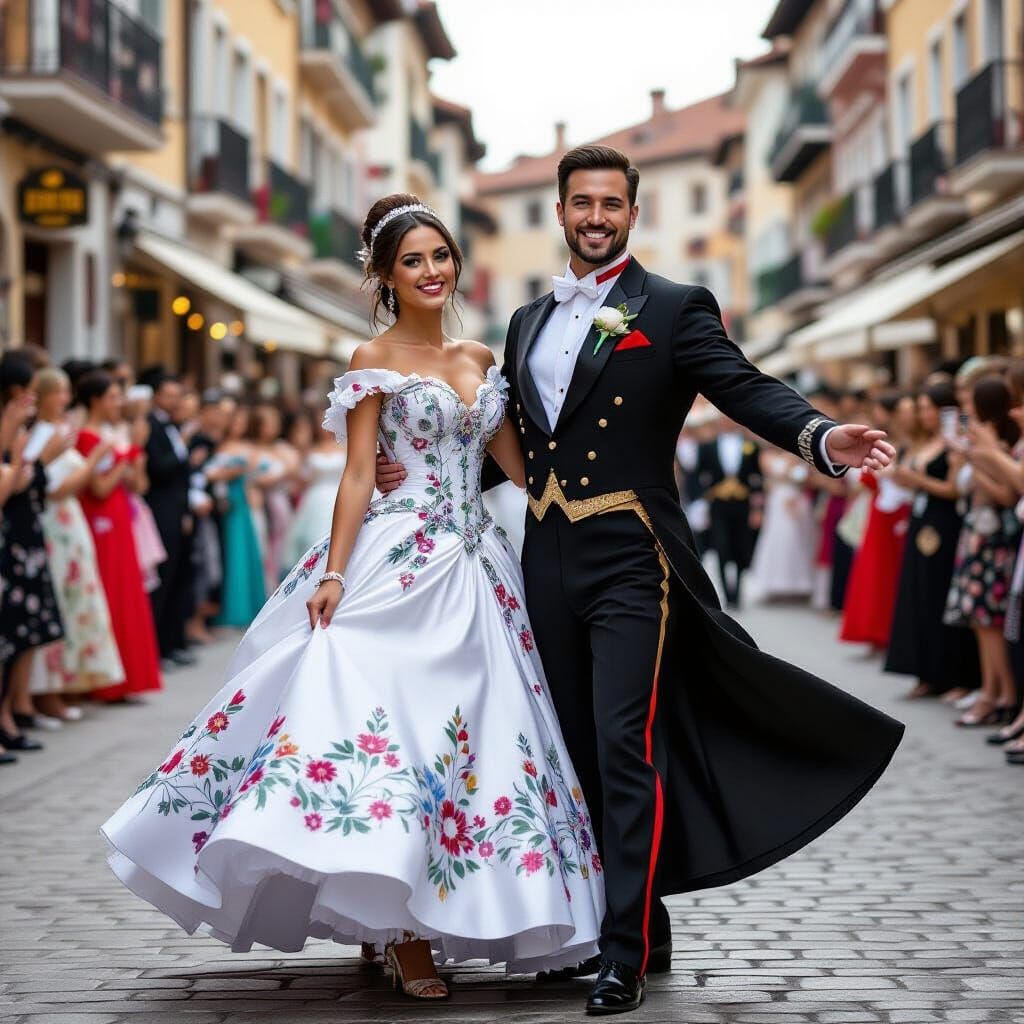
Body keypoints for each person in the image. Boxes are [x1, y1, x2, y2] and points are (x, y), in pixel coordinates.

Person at [377, 147, 904, 1015]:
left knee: (625, 743)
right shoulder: (525, 319)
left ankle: (620, 954)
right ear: (559, 211)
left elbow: (740, 386)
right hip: (543, 556)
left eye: (610, 204)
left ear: (631, 212)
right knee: (573, 745)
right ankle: (630, 925)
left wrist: (815, 435)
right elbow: (514, 448)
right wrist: (428, 481)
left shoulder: (671, 307)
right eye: (580, 202)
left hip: (631, 555)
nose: (595, 216)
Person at [101, 195, 605, 999]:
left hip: (478, 570)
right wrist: (335, 573)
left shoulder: (481, 358)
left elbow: (520, 468)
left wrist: (616, 472)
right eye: (413, 261)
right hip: (396, 562)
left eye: (441, 256)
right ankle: (400, 929)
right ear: (386, 276)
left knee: (472, 743)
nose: (432, 271)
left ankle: (440, 908)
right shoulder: (372, 356)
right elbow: (360, 473)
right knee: (390, 732)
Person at [26, 368, 125, 714]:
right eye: (60, 392)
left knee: (75, 604)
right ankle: (46, 691)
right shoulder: (40, 435)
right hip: (54, 525)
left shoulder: (55, 432)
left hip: (69, 526)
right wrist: (95, 462)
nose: (66, 399)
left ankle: (68, 684)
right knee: (61, 605)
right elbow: (53, 489)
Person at [884, 382, 977, 698]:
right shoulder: (924, 442)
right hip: (920, 520)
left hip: (944, 522)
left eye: (928, 408)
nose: (924, 415)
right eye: (921, 408)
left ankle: (952, 674)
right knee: (919, 595)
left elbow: (953, 489)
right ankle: (925, 671)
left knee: (939, 594)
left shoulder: (954, 443)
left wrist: (916, 479)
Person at [75, 370, 162, 702]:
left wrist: (133, 456)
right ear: (95, 400)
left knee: (129, 591)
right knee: (109, 593)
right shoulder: (87, 437)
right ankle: (103, 681)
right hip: (100, 518)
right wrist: (128, 454)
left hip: (122, 517)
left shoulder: (115, 433)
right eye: (112, 397)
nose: (118, 403)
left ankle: (128, 678)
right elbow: (98, 486)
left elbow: (138, 484)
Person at [0, 351, 67, 755]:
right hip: (11, 538)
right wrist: (37, 461)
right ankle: (7, 714)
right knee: (9, 634)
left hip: (24, 535)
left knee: (21, 634)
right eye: (26, 393)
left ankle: (11, 712)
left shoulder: (22, 432)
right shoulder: (15, 432)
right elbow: (12, 485)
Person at [944, 376, 1020, 727]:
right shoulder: (978, 438)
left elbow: (1005, 495)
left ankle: (1001, 694)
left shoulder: (1002, 441)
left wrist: (978, 460)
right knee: (978, 620)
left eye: (970, 400)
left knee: (989, 620)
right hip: (975, 533)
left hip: (993, 540)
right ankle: (991, 690)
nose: (964, 407)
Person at [840, 393, 915, 652]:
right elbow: (867, 481)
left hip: (897, 513)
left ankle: (887, 633)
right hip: (878, 511)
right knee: (873, 571)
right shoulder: (885, 441)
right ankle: (873, 632)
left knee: (888, 572)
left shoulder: (905, 444)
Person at [142, 370, 196, 668]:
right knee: (161, 581)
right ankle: (158, 648)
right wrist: (183, 446)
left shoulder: (173, 426)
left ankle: (172, 642)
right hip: (160, 511)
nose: (176, 400)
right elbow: (159, 469)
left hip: (177, 510)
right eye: (170, 394)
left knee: (177, 578)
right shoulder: (151, 426)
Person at [695, 419, 762, 608]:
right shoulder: (708, 447)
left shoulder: (751, 446)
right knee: (721, 547)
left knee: (741, 547)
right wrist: (701, 501)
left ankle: (738, 592)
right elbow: (698, 477)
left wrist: (757, 509)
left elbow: (757, 478)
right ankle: (727, 594)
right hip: (718, 504)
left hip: (742, 503)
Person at [212, 404, 265, 628]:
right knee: (233, 553)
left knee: (246, 551)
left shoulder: (249, 447)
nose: (239, 426)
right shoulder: (220, 446)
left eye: (243, 422)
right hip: (230, 502)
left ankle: (250, 605)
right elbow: (213, 474)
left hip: (244, 501)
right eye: (236, 421)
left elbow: (258, 472)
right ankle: (233, 607)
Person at [281, 411, 347, 570]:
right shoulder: (310, 450)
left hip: (339, 494)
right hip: (315, 497)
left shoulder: (346, 446)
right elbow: (302, 476)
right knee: (312, 538)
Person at [749, 448, 815, 601]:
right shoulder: (768, 455)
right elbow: (769, 479)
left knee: (798, 539)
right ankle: (776, 583)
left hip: (796, 498)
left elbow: (804, 477)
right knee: (779, 537)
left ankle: (799, 583)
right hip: (779, 499)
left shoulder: (798, 453)